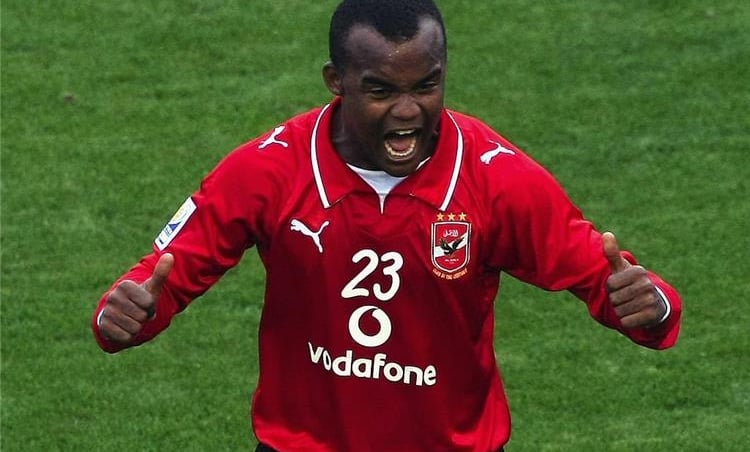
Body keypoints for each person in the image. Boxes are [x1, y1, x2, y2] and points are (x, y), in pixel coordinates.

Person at [92, 1, 682, 450]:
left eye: (426, 86)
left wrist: (649, 305)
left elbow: (613, 283)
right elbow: (160, 278)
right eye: (380, 90)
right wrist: (127, 313)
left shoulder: (496, 177)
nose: (407, 111)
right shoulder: (269, 169)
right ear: (336, 80)